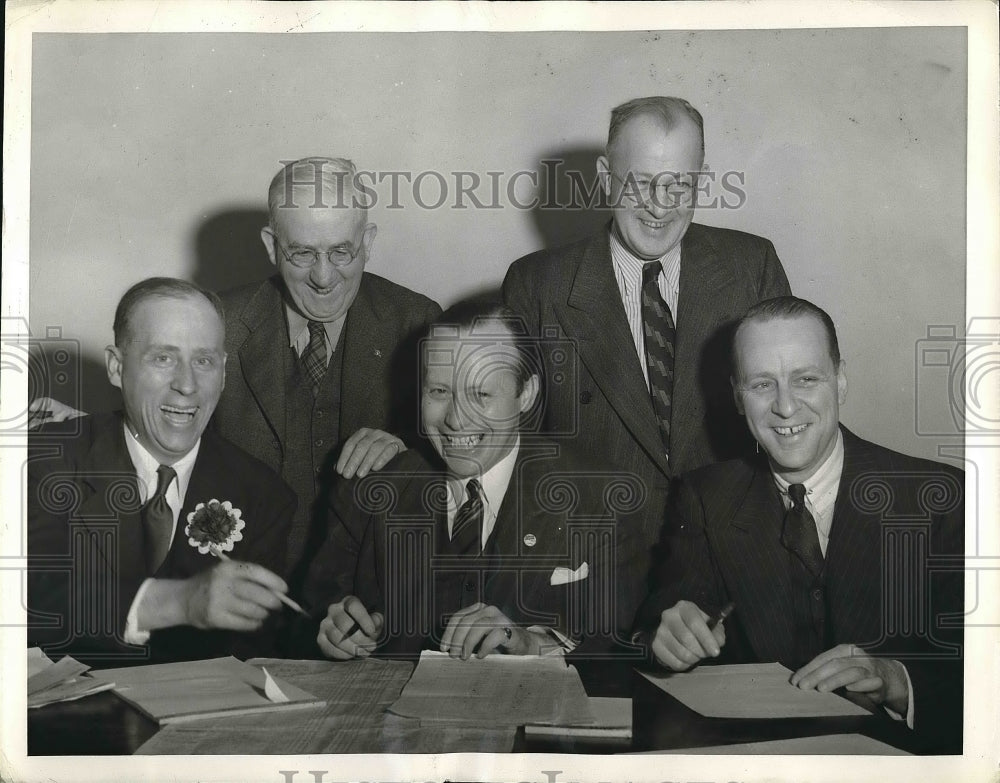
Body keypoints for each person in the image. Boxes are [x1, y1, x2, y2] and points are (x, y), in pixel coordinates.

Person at [634, 296, 964, 752]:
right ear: (736, 396)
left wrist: (897, 680)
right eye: (762, 385)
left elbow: (984, 679)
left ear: (840, 380)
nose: (785, 408)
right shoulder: (704, 498)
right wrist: (667, 637)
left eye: (805, 379)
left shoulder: (941, 499)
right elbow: (666, 612)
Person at [503, 96, 791, 575]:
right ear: (604, 176)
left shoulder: (751, 267)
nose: (660, 205)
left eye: (680, 183)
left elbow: (788, 419)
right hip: (592, 567)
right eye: (639, 182)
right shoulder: (539, 284)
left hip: (734, 564)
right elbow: (514, 448)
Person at [304, 302, 644, 660]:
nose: (455, 419)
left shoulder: (599, 499)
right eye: (439, 392)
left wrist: (534, 644)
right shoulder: (368, 487)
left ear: (525, 394)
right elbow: (311, 617)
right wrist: (334, 632)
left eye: (481, 394)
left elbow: (619, 642)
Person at [27, 278, 296, 666]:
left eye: (203, 361)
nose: (187, 385)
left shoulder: (263, 495)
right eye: (163, 358)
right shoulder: (43, 460)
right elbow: (26, 600)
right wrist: (182, 601)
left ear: (222, 373)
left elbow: (256, 654)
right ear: (117, 368)